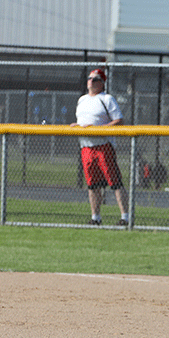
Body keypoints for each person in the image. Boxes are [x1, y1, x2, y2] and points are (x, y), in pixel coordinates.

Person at [72, 68, 130, 226]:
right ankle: (95, 217)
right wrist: (77, 126)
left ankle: (125, 217)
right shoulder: (82, 100)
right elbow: (83, 121)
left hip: (103, 146)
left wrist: (101, 129)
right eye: (89, 78)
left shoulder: (106, 99)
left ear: (102, 83)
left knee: (115, 182)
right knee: (92, 184)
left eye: (95, 79)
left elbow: (119, 120)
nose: (91, 81)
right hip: (86, 147)